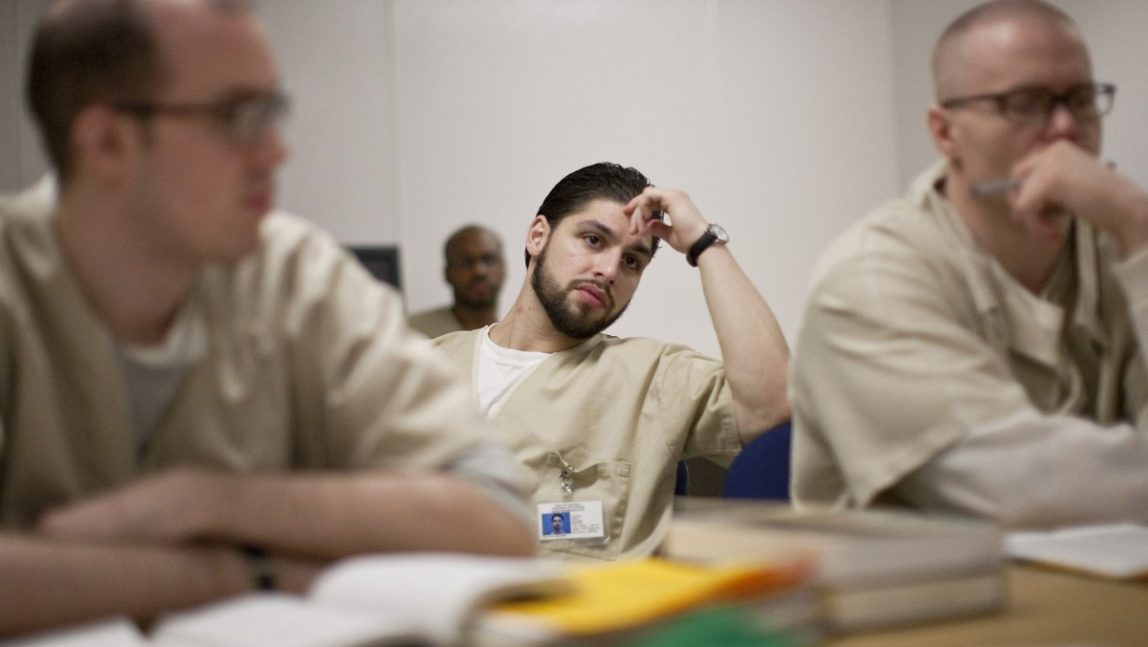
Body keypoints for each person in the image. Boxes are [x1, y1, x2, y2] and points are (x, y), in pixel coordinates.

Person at [0, 0, 532, 637]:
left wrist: (205, 501)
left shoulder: (297, 275)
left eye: (272, 112)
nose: (276, 152)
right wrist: (246, 574)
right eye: (238, 117)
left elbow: (499, 516)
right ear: (107, 141)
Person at [792, 0, 1148, 527]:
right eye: (1025, 103)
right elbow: (1032, 494)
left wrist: (1140, 230)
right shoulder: (869, 277)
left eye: (1081, 99)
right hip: (927, 603)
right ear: (944, 132)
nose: (1067, 129)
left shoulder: (1119, 242)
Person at [434, 162, 790, 560]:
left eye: (632, 262)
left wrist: (705, 244)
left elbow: (772, 408)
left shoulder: (651, 375)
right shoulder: (429, 366)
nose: (608, 271)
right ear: (538, 236)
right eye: (592, 240)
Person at [408, 224, 505, 338]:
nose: (479, 271)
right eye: (465, 262)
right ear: (447, 273)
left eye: (488, 260)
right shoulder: (413, 333)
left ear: (504, 268)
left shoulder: (519, 336)